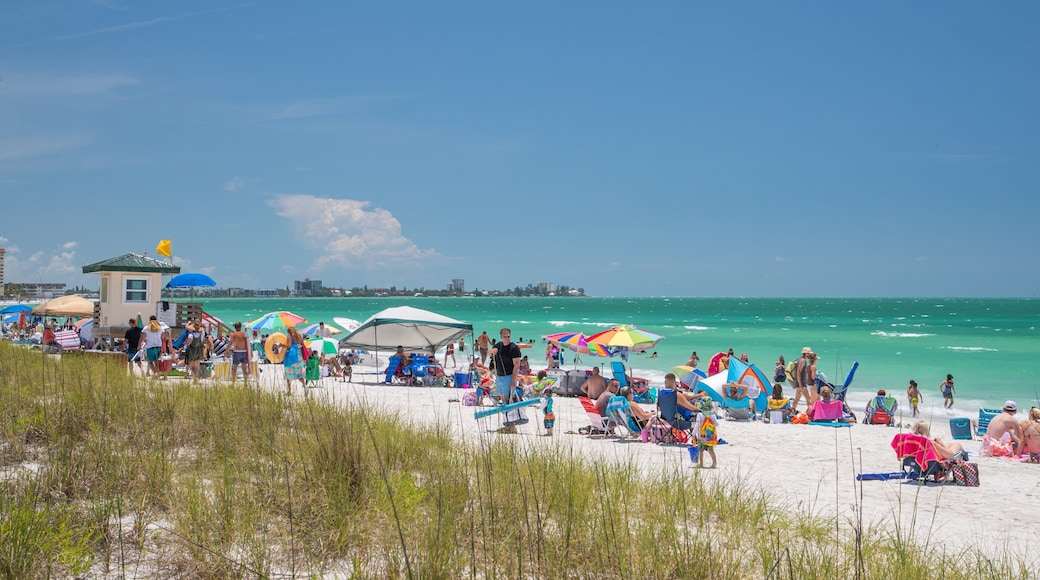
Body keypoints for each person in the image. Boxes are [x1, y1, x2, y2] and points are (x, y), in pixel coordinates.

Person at [488, 327, 522, 410]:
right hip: (499, 376)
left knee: (508, 399)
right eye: (504, 336)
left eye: (508, 336)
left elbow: (517, 365)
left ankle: (510, 413)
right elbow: (489, 353)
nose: (507, 338)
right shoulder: (499, 345)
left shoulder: (514, 348)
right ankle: (506, 414)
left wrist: (513, 381)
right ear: (501, 337)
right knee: (503, 398)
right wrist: (492, 351)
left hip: (509, 376)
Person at [694, 395, 719, 468]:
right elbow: (717, 424)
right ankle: (714, 462)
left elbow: (697, 425)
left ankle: (701, 463)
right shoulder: (712, 414)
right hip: (710, 436)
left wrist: (693, 433)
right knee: (711, 450)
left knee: (701, 450)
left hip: (701, 436)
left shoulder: (700, 414)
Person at [283, 326, 307, 395]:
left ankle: (289, 391)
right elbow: (302, 344)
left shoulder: (289, 336)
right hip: (299, 358)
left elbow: (289, 346)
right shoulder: (299, 335)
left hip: (291, 358)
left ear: (289, 332)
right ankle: (305, 387)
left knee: (288, 374)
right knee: (299, 374)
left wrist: (281, 345)